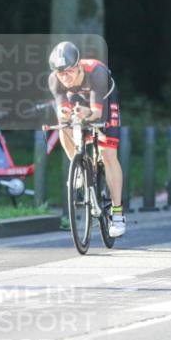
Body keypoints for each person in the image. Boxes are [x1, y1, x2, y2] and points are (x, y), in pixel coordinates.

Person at [47, 41, 126, 237]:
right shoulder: (54, 80)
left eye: (69, 71)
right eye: (60, 73)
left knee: (108, 155)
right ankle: (80, 170)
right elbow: (61, 111)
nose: (64, 77)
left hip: (103, 101)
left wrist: (87, 113)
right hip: (77, 100)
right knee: (63, 126)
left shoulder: (97, 73)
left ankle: (117, 214)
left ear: (78, 66)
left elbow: (97, 114)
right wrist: (65, 114)